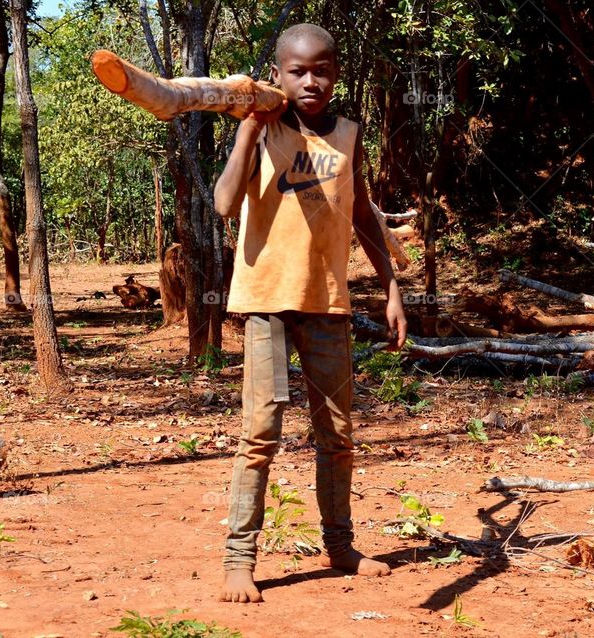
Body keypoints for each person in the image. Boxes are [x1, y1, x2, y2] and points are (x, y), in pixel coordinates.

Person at [213, 22, 408, 604]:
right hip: (267, 303)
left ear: (336, 74)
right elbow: (224, 203)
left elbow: (364, 211)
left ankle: (341, 547)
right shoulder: (265, 129)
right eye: (297, 71)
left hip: (327, 303)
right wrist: (248, 130)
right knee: (261, 431)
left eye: (321, 69)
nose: (310, 80)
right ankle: (238, 560)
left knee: (338, 434)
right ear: (276, 75)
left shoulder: (347, 135)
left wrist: (391, 286)